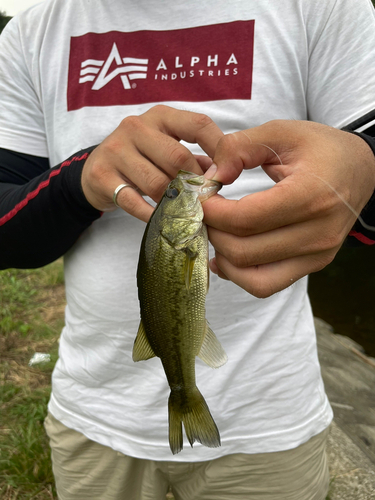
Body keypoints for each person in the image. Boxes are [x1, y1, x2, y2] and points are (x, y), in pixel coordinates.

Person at [1, 1, 375, 499]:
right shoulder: (31, 30)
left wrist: (363, 165)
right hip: (94, 418)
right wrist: (78, 181)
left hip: (266, 421)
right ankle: (188, 393)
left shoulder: (324, 6)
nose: (186, 185)